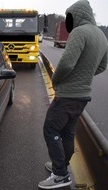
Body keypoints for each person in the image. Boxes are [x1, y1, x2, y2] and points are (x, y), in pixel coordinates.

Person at [38, 0, 108, 189]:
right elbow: (102, 66)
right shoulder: (101, 36)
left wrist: (56, 80)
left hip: (68, 94)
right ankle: (61, 164)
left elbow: (67, 63)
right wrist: (83, 75)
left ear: (77, 15)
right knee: (67, 132)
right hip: (83, 96)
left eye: (70, 16)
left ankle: (60, 174)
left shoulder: (79, 32)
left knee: (51, 129)